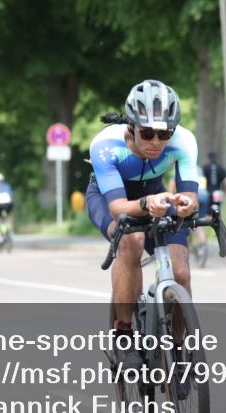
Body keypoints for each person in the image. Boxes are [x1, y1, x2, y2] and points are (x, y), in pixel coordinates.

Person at [85, 79, 199, 366]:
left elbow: (190, 196)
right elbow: (118, 208)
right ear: (131, 126)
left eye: (164, 134)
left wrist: (185, 206)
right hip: (109, 198)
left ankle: (176, 349)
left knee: (181, 273)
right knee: (131, 241)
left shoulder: (184, 141)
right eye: (147, 133)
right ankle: (124, 336)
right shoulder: (105, 145)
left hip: (154, 195)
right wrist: (147, 204)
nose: (156, 142)